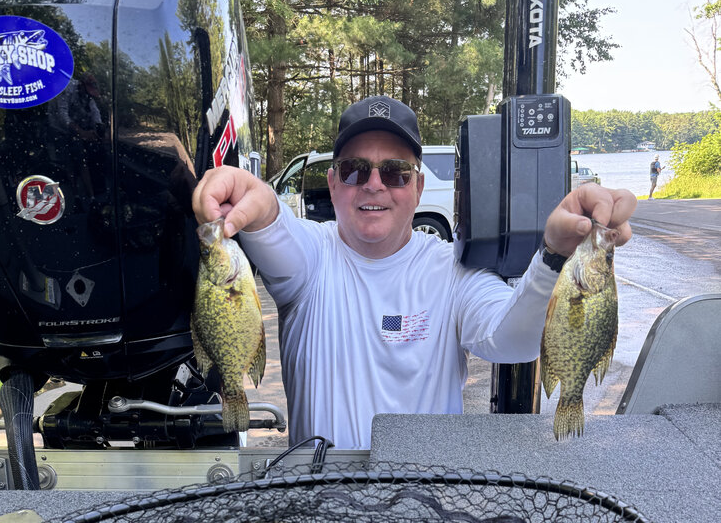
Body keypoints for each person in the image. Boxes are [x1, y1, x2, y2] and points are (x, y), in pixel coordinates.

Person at [192, 96, 636, 449]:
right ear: (332, 183)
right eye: (354, 170)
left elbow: (512, 341)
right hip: (321, 500)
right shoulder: (310, 257)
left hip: (427, 503)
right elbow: (273, 224)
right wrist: (252, 194)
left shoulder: (452, 270)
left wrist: (554, 253)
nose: (374, 184)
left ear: (419, 187)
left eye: (396, 173)